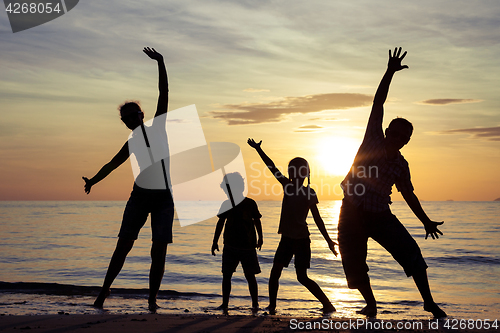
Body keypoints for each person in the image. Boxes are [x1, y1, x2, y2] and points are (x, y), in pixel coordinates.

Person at [338, 47, 446, 318]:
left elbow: (409, 194)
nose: (397, 138)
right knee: (353, 262)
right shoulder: (373, 139)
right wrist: (389, 72)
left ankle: (429, 302)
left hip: (380, 215)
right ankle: (371, 304)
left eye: (403, 137)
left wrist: (425, 220)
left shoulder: (401, 164)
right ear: (387, 132)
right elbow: (378, 103)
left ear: (407, 141)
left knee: (411, 253)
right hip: (352, 212)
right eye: (395, 133)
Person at [82, 47, 173, 312]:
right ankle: (103, 291)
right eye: (124, 120)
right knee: (123, 245)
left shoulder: (158, 128)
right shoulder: (131, 142)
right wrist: (93, 181)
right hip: (140, 196)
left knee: (159, 250)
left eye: (131, 117)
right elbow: (112, 164)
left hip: (163, 198)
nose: (127, 122)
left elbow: (163, 94)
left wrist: (161, 63)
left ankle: (152, 299)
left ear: (141, 115)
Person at [247, 139, 338, 315]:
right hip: (287, 239)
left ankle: (328, 304)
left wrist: (328, 240)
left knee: (301, 277)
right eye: (294, 171)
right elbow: (271, 166)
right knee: (275, 273)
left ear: (305, 174)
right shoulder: (287, 186)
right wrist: (259, 149)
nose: (297, 174)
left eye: (300, 171)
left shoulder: (308, 193)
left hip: (302, 240)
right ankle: (272, 306)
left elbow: (318, 219)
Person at [211, 172, 263, 313]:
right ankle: (225, 304)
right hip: (230, 245)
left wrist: (260, 237)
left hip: (248, 246)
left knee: (250, 275)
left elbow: (257, 220)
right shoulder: (226, 204)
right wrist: (215, 241)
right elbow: (220, 223)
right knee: (227, 275)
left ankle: (255, 304)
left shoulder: (250, 203)